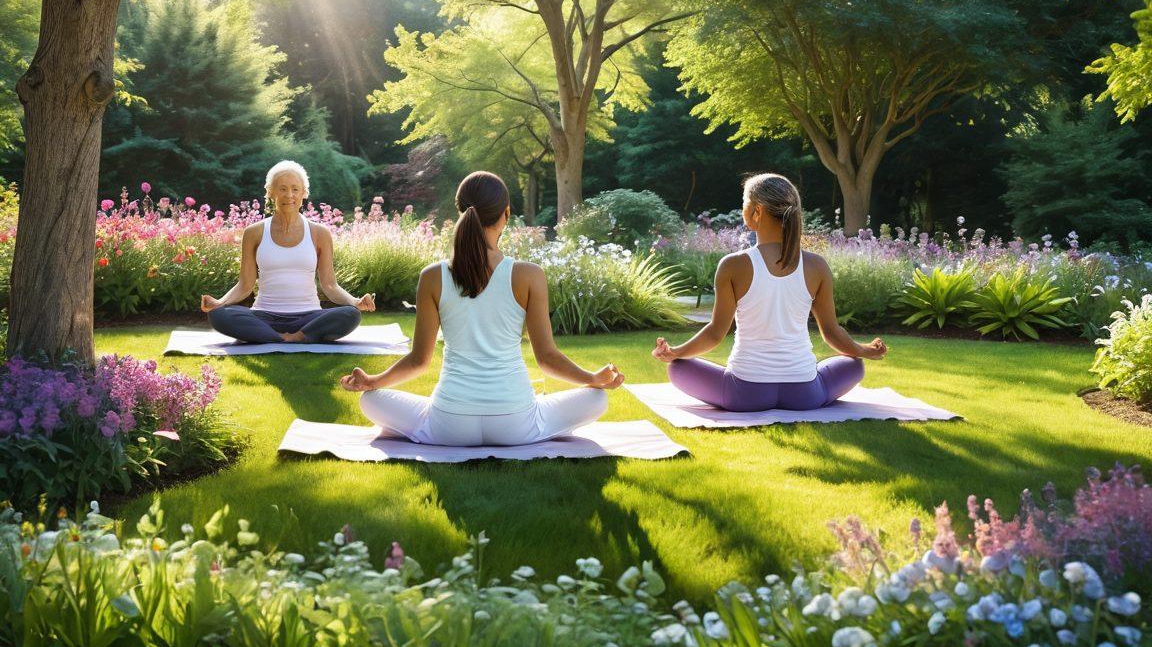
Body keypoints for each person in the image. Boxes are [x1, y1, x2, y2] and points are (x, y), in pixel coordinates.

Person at [339, 171, 623, 446]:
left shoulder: (432, 277)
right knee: (597, 398)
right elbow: (547, 357)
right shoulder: (529, 275)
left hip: (449, 426)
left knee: (371, 399)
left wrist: (374, 381)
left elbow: (419, 360)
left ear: (460, 212)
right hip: (516, 424)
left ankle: (436, 415)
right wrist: (592, 378)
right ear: (506, 215)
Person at [652, 173, 887, 412]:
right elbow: (832, 333)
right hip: (805, 394)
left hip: (744, 393)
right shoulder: (817, 266)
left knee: (678, 368)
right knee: (855, 365)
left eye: (744, 203)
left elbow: (715, 333)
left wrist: (676, 353)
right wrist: (863, 350)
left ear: (758, 211)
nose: (742, 209)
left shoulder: (732, 265)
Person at [201, 160, 375, 343]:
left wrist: (355, 302)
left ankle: (290, 337)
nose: (289, 195)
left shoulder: (319, 233)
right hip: (264, 316)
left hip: (308, 317)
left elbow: (330, 286)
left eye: (295, 189)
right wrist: (220, 303)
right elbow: (245, 285)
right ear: (271, 192)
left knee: (350, 314)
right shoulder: (254, 232)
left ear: (304, 194)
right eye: (282, 189)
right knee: (219, 315)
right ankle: (284, 337)